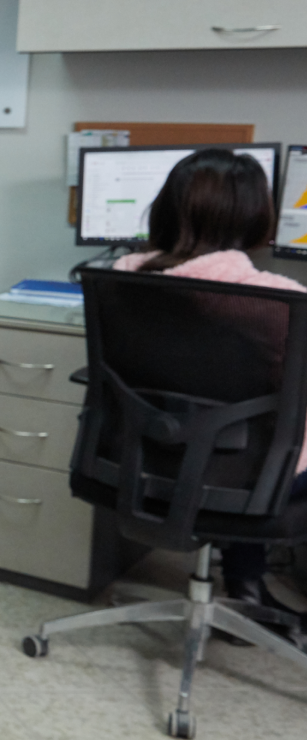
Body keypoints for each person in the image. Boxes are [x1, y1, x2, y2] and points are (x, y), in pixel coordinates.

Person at [113, 148, 307, 611]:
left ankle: (246, 579)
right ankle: (246, 582)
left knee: (248, 433)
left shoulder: (124, 276)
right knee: (262, 438)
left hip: (148, 453)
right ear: (256, 215)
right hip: (242, 469)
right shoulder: (283, 300)